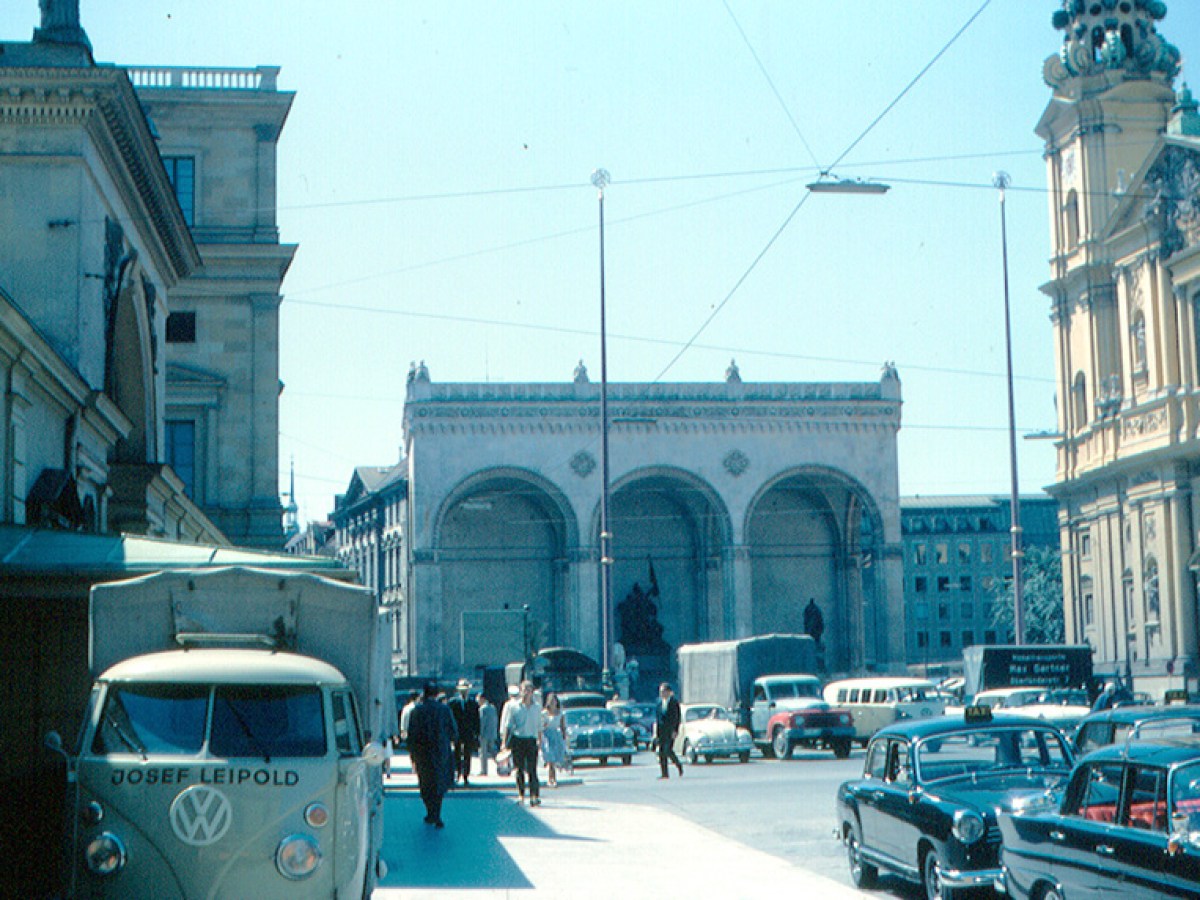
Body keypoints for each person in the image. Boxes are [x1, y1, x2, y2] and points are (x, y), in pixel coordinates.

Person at [406, 682, 456, 828]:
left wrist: (413, 754)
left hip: (423, 754)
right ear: (436, 694)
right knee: (438, 784)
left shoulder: (417, 711)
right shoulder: (445, 710)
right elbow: (453, 731)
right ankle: (437, 813)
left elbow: (411, 735)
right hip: (441, 753)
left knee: (425, 784)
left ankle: (430, 812)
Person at [500, 680, 543, 806]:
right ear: (520, 691)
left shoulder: (537, 707)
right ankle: (521, 795)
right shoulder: (514, 707)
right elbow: (508, 726)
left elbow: (539, 726)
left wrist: (539, 740)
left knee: (532, 770)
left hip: (531, 740)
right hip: (518, 740)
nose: (526, 693)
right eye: (524, 690)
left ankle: (534, 796)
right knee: (519, 769)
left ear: (532, 692)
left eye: (529, 690)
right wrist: (504, 743)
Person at [448, 678, 481, 786]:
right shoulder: (452, 703)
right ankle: (457, 774)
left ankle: (466, 775)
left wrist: (477, 733)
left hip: (468, 733)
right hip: (457, 732)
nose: (464, 691)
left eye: (466, 689)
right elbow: (450, 718)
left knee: (467, 754)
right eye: (462, 689)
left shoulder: (473, 703)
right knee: (456, 753)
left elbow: (476, 719)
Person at [654, 681, 683, 779]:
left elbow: (677, 717)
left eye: (663, 691)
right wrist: (656, 733)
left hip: (670, 731)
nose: (661, 693)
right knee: (662, 752)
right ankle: (664, 773)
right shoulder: (659, 703)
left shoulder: (674, 702)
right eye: (660, 691)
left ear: (668, 692)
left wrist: (675, 730)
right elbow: (658, 719)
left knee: (668, 750)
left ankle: (678, 765)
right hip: (661, 731)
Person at [541, 693, 570, 787]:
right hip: (547, 736)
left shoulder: (560, 714)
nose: (552, 702)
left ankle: (554, 778)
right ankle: (551, 779)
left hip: (556, 736)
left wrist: (564, 739)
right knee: (550, 759)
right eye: (551, 700)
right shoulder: (544, 713)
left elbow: (563, 727)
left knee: (554, 760)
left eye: (554, 700)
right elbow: (541, 726)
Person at [477, 692, 500, 776]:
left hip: (484, 733)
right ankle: (501, 765)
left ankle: (484, 770)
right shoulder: (493, 707)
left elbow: (482, 722)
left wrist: (480, 733)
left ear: (482, 699)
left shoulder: (482, 709)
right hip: (492, 733)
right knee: (493, 751)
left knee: (483, 753)